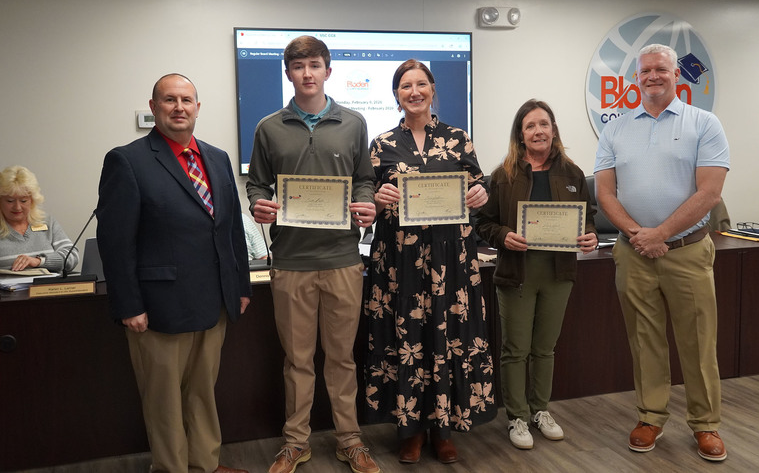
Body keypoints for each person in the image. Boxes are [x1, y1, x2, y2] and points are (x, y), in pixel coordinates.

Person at [96, 73, 251, 473]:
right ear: (154, 108)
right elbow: (116, 243)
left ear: (198, 107)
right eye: (169, 100)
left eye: (186, 99)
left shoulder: (217, 158)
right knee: (163, 401)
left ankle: (204, 464)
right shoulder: (127, 160)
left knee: (203, 393)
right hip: (159, 308)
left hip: (214, 302)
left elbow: (231, 228)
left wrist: (241, 286)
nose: (179, 107)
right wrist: (128, 304)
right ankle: (171, 468)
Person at [246, 36, 380, 473]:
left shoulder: (354, 123)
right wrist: (258, 204)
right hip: (290, 263)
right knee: (298, 360)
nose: (307, 73)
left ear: (328, 70)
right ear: (288, 73)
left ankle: (350, 440)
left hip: (343, 258)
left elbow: (364, 179)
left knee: (341, 359)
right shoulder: (268, 127)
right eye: (299, 66)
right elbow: (258, 184)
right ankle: (295, 443)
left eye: (315, 65)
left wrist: (367, 203)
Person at [594, 44, 730, 462]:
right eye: (645, 71)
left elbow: (709, 192)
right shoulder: (615, 128)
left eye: (661, 69)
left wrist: (662, 234)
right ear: (636, 78)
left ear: (676, 75)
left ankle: (706, 425)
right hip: (634, 253)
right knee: (644, 340)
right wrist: (640, 235)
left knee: (698, 342)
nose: (653, 76)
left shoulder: (703, 123)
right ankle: (651, 416)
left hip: (686, 252)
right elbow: (605, 192)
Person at [364, 59, 497, 465]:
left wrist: (480, 196)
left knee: (447, 339)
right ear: (396, 94)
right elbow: (367, 198)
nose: (414, 91)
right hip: (399, 265)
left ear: (433, 89)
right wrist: (376, 198)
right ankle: (410, 431)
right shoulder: (382, 143)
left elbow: (477, 188)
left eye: (421, 84)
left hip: (450, 262)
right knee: (406, 343)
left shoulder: (458, 139)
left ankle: (443, 429)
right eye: (406, 86)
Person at [474, 99, 598, 450]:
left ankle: (540, 410)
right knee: (516, 349)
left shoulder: (572, 173)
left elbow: (588, 216)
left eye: (544, 124)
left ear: (553, 130)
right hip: (517, 272)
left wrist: (588, 233)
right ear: (520, 134)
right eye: (530, 126)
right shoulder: (503, 175)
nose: (538, 131)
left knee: (544, 348)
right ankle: (516, 416)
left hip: (558, 272)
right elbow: (482, 222)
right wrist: (503, 236)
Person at [0, 165, 78, 273]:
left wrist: (39, 261)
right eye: (10, 201)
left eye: (23, 201)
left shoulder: (47, 222)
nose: (17, 207)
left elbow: (72, 256)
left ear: (32, 200)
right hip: (4, 289)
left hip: (47, 288)